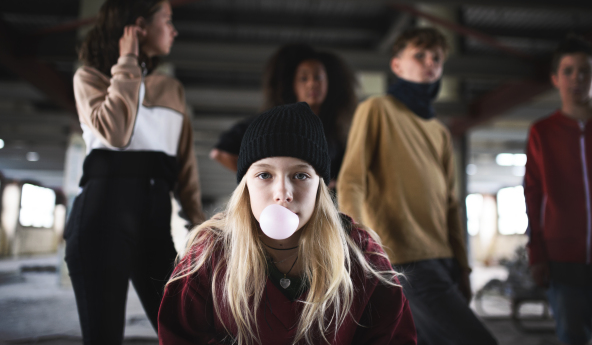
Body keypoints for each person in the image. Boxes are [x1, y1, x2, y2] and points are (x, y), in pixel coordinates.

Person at [158, 102, 416, 345]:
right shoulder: (211, 254)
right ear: (245, 184)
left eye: (301, 175)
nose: (283, 192)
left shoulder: (361, 254)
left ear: (320, 186)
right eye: (264, 175)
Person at [337, 27, 498, 345]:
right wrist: (360, 247)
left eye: (436, 58)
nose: (429, 63)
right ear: (397, 65)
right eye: (419, 55)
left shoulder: (439, 131)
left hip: (443, 260)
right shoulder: (377, 110)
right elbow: (352, 180)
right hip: (403, 257)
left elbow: (451, 202)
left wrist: (463, 268)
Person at [65, 0, 204, 344]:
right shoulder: (90, 78)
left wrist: (200, 225)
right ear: (139, 26)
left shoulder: (172, 90)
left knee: (186, 332)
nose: (174, 30)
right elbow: (116, 133)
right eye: (167, 20)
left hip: (156, 221)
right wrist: (127, 63)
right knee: (104, 336)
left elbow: (184, 167)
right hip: (101, 216)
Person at [525, 35, 592, 345]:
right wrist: (536, 255)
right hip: (561, 262)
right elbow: (533, 194)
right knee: (572, 338)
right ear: (556, 79)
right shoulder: (541, 132)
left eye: (585, 71)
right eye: (568, 70)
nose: (577, 78)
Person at [210, 44, 357, 188]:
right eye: (304, 78)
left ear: (329, 82)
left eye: (318, 77)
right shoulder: (271, 124)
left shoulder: (337, 133)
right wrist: (262, 176)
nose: (312, 84)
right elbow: (220, 153)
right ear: (292, 85)